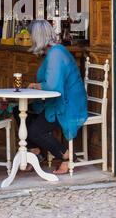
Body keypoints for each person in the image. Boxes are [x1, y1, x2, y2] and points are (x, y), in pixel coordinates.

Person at [13, 19, 88, 174]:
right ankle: (36, 152)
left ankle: (66, 155)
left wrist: (36, 86)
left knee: (34, 131)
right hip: (56, 101)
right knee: (18, 111)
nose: (30, 39)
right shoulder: (53, 52)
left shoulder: (56, 54)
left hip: (67, 105)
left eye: (32, 36)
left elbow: (54, 87)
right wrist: (38, 86)